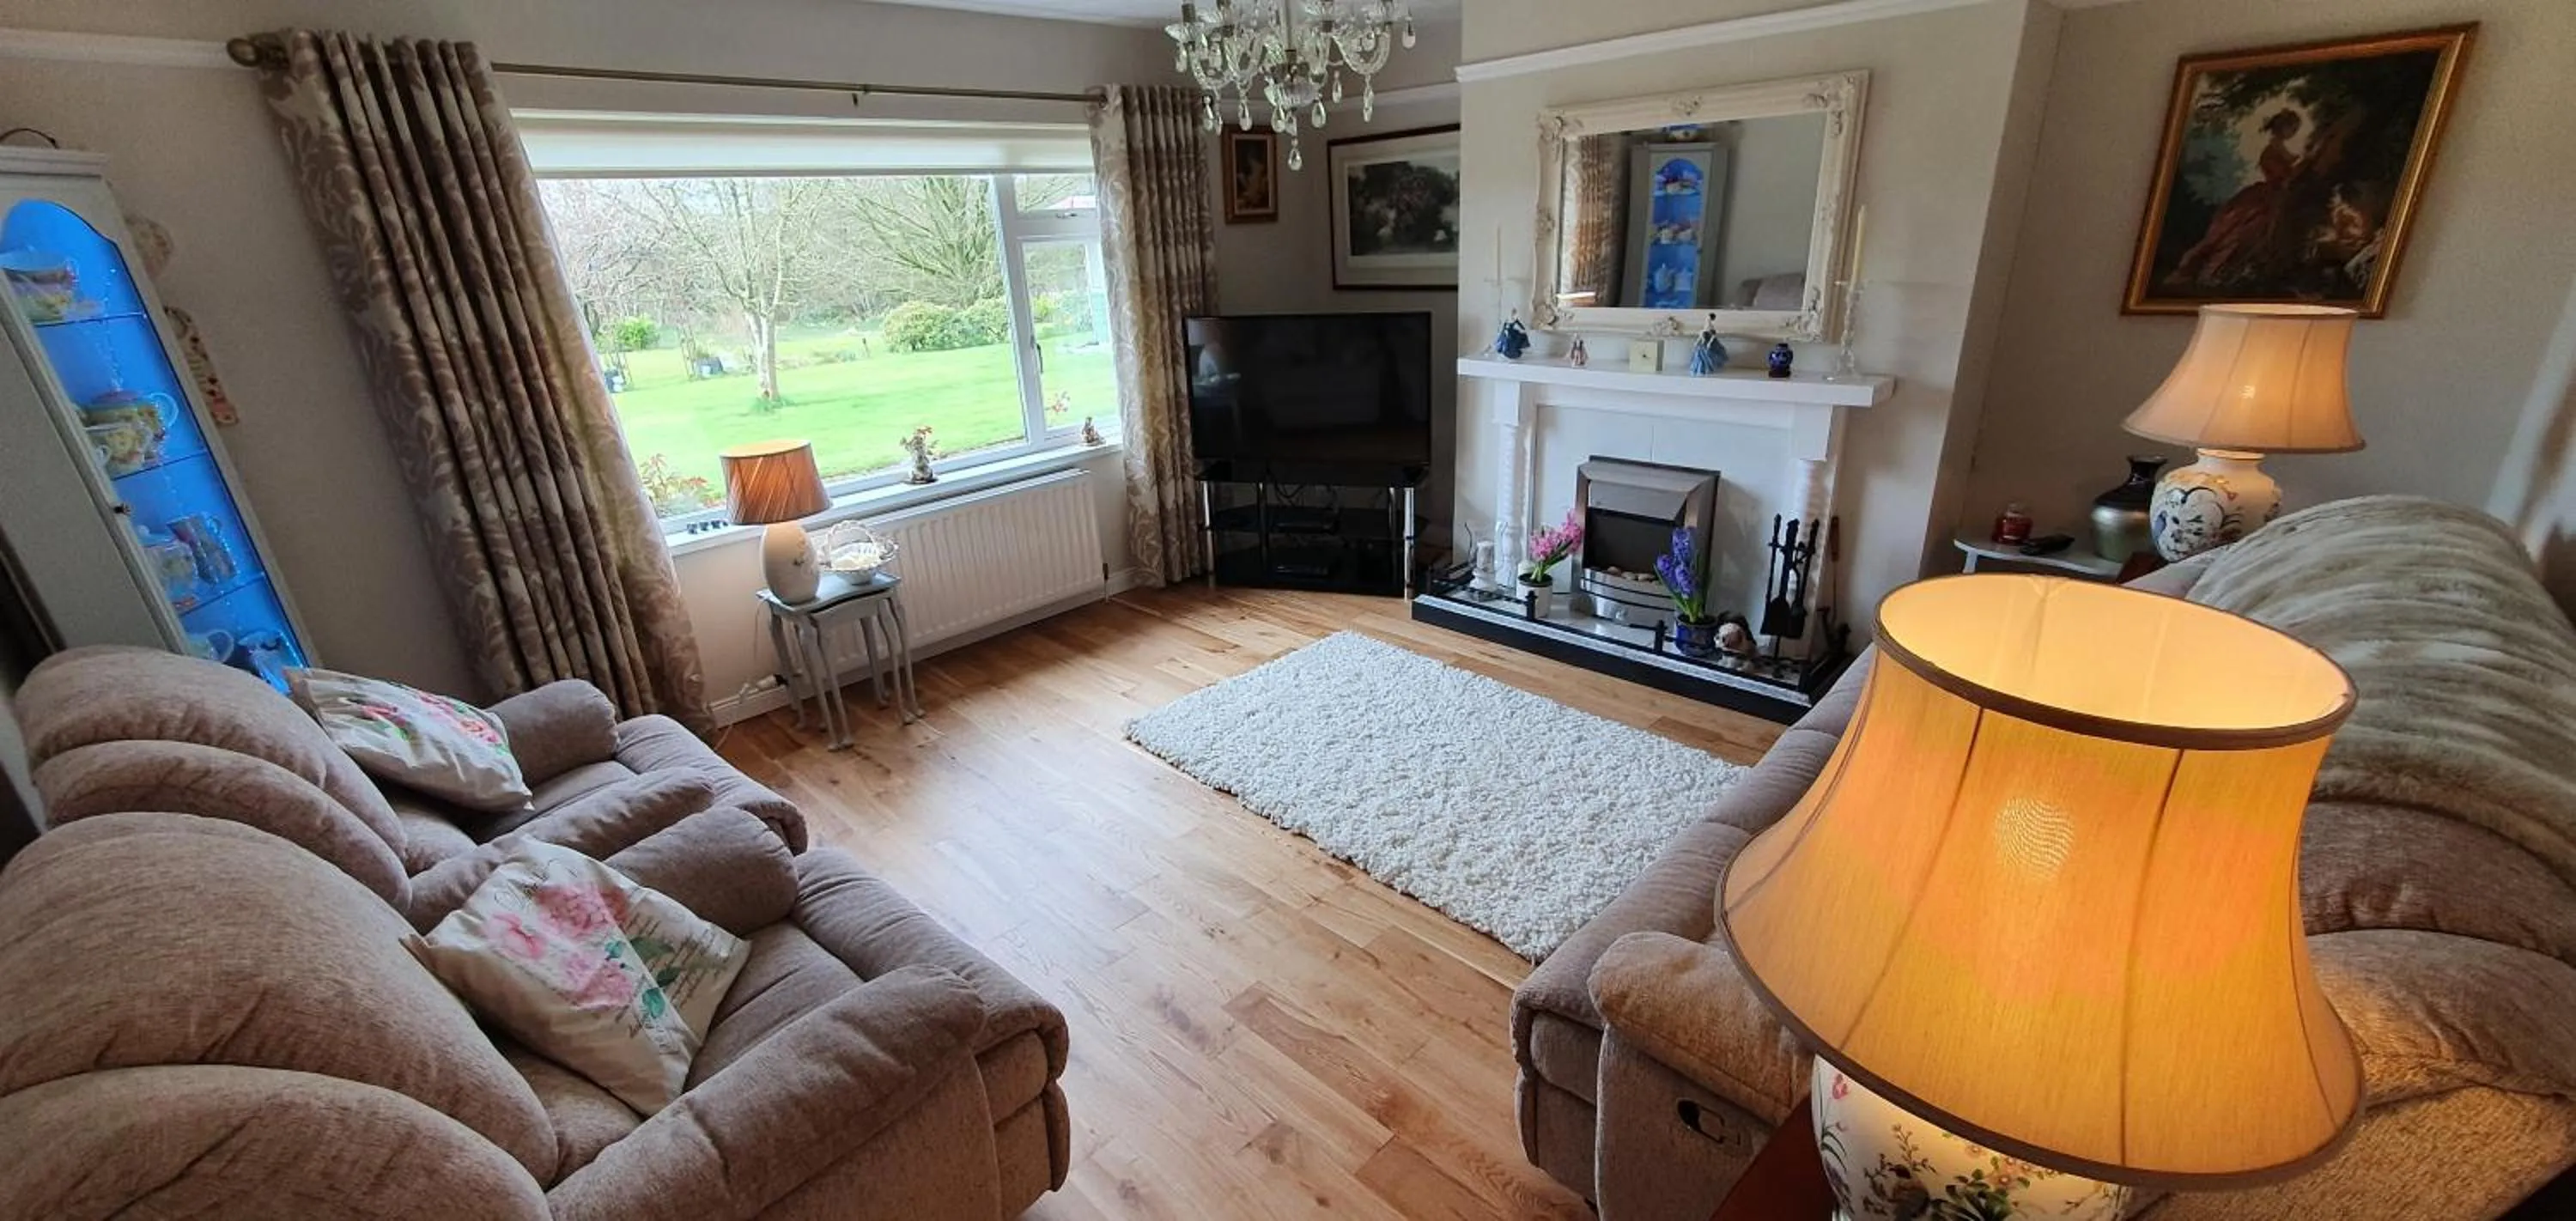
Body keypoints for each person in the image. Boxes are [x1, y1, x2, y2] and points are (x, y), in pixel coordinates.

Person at [2168, 107, 2306, 289]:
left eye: (2295, 129)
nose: (2293, 132)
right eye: (2292, 128)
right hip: (2269, 196)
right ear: (2283, 128)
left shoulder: (2280, 149)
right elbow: (2282, 176)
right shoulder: (2274, 149)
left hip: (2275, 193)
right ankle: (2212, 271)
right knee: (2241, 231)